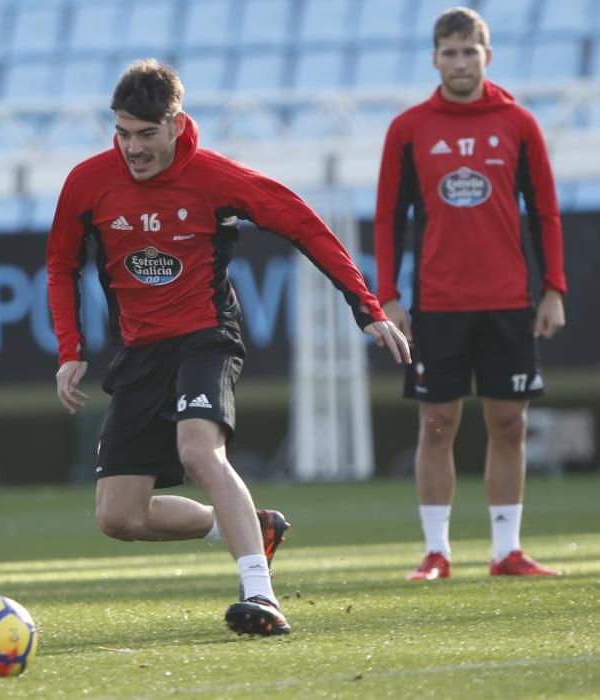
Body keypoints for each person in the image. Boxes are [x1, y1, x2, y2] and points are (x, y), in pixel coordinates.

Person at [48, 58, 411, 636]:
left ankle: (261, 595)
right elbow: (61, 264)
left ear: (175, 124)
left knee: (199, 453)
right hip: (139, 353)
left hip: (205, 337)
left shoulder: (216, 178)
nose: (133, 148)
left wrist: (364, 306)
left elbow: (304, 225)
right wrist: (70, 347)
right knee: (119, 517)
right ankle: (248, 525)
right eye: (122, 132)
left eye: (146, 134)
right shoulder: (88, 182)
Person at [374, 7, 566, 581]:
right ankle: (437, 552)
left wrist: (553, 288)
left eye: (470, 51)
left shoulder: (519, 123)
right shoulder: (408, 129)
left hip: (508, 299)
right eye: (450, 52)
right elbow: (388, 218)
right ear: (434, 59)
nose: (460, 62)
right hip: (437, 302)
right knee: (437, 425)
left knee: (510, 422)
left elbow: (546, 212)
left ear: (487, 56)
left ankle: (507, 550)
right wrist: (387, 293)